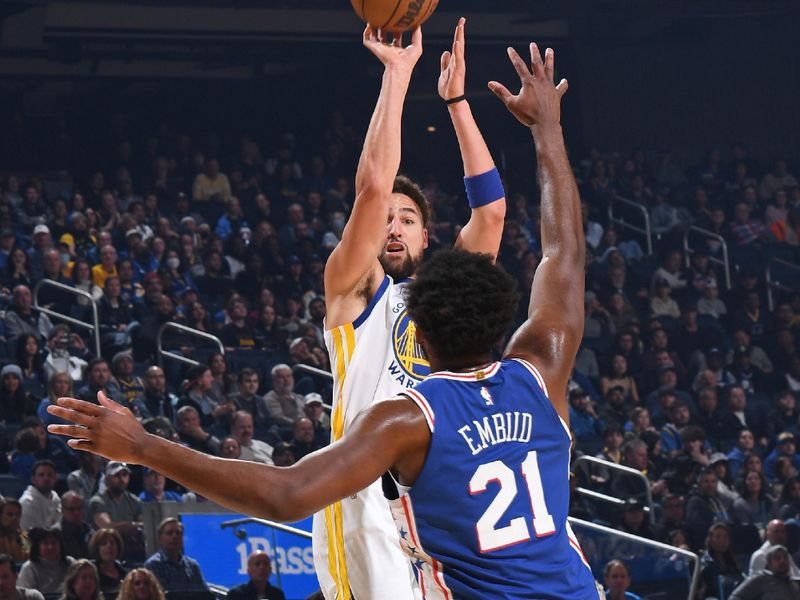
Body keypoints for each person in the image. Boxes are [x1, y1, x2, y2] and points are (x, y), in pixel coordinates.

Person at [47, 39, 600, 598]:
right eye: (386, 218)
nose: (393, 225)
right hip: (360, 488)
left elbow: (492, 211)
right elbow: (560, 256)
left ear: (428, 240)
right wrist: (532, 124)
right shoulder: (382, 300)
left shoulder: (412, 407)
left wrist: (143, 446)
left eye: (407, 218)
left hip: (409, 472)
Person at [142, 518, 209, 594]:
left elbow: (206, 594)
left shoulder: (192, 566)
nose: (175, 536)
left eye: (178, 533)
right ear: (160, 539)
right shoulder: (153, 565)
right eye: (169, 533)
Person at [729, 545, 800, 600]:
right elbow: (735, 597)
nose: (782, 561)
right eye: (777, 558)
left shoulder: (794, 583)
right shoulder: (761, 578)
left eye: (785, 558)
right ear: (769, 563)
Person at [17, 528, 74, 594]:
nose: (50, 547)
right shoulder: (29, 567)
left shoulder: (70, 563)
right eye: (45, 543)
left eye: (54, 542)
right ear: (37, 547)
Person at [19, 459, 61, 532]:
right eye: (41, 475)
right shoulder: (27, 502)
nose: (46, 478)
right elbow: (29, 534)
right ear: (33, 479)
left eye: (50, 475)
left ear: (55, 478)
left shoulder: (56, 499)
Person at [88, 529, 125, 597]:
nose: (109, 546)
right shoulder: (91, 571)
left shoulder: (124, 573)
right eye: (104, 543)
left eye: (112, 543)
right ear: (97, 548)